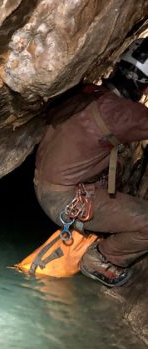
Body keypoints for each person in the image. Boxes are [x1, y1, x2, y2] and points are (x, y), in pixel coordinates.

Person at [34, 37, 148, 287]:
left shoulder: (86, 92)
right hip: (68, 201)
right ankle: (102, 259)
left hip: (45, 185)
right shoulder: (122, 113)